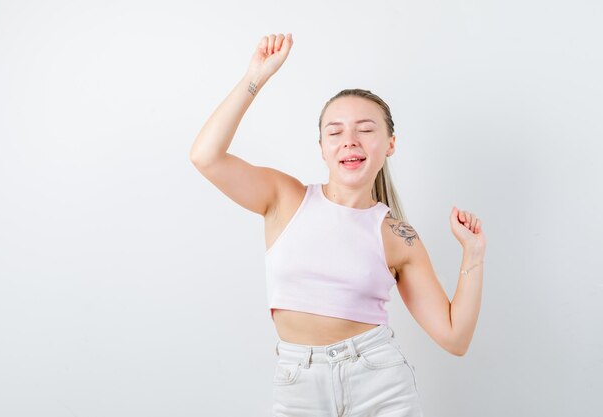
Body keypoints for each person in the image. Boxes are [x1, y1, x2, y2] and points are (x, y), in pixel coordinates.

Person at [190, 33, 486, 417]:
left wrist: (473, 254)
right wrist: (256, 77)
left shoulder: (398, 236)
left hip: (380, 384)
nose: (350, 141)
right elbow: (205, 156)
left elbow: (454, 337)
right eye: (335, 132)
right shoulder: (285, 198)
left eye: (365, 130)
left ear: (390, 144)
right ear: (322, 147)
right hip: (298, 384)